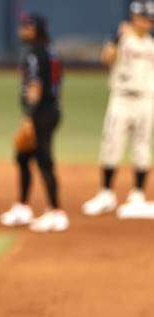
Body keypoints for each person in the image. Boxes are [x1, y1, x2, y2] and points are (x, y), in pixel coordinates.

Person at [82, 0, 154, 218]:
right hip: (121, 98)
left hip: (146, 100)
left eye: (150, 19)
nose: (147, 22)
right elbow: (106, 59)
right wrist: (115, 38)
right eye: (144, 18)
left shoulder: (151, 43)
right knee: (112, 144)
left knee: (142, 147)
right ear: (134, 17)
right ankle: (106, 193)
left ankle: (138, 194)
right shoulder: (122, 38)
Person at [0, 14, 68, 232]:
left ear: (37, 29)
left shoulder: (35, 53)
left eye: (27, 26)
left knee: (44, 159)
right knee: (22, 156)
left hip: (41, 113)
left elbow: (35, 86)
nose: (22, 29)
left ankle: (56, 212)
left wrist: (29, 116)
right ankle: (23, 207)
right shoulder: (49, 50)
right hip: (50, 110)